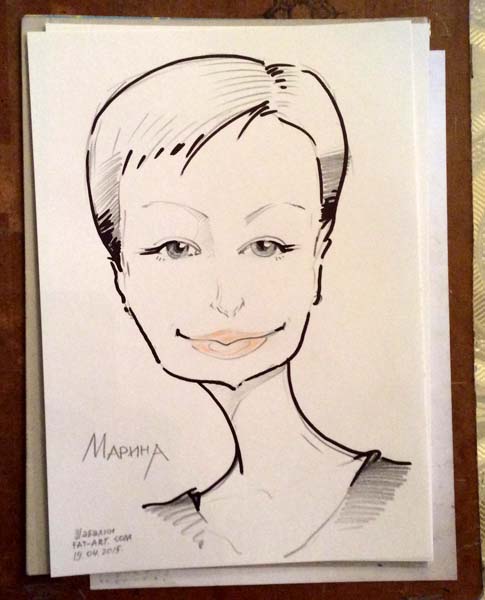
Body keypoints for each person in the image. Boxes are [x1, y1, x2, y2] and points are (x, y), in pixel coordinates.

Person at [86, 54, 410, 560]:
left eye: (266, 245)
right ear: (121, 273)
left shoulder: (405, 501)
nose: (226, 297)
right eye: (176, 247)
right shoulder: (142, 531)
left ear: (318, 255)